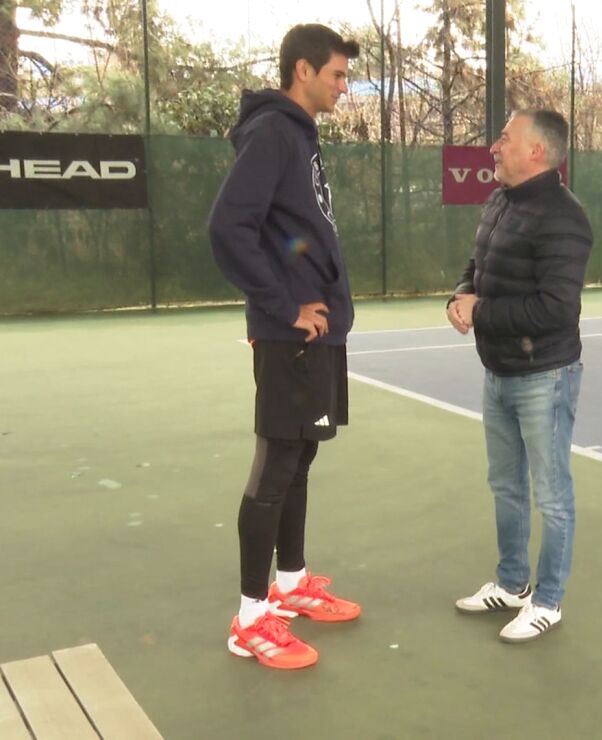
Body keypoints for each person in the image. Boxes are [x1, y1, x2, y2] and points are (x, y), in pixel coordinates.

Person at [208, 23, 362, 670]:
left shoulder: (300, 135)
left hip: (318, 333)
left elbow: (292, 229)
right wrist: (282, 306)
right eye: (336, 75)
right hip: (290, 335)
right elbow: (228, 227)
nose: (343, 86)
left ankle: (292, 583)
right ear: (303, 70)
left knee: (300, 457)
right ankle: (250, 619)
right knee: (276, 464)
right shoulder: (273, 133)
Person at [447, 109, 593, 643]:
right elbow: (478, 265)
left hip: (545, 378)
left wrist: (480, 311)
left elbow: (555, 308)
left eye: (505, 138)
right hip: (499, 371)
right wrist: (460, 296)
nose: (494, 146)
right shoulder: (500, 201)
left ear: (536, 151)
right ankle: (512, 584)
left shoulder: (566, 219)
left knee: (551, 496)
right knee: (506, 486)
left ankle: (547, 601)